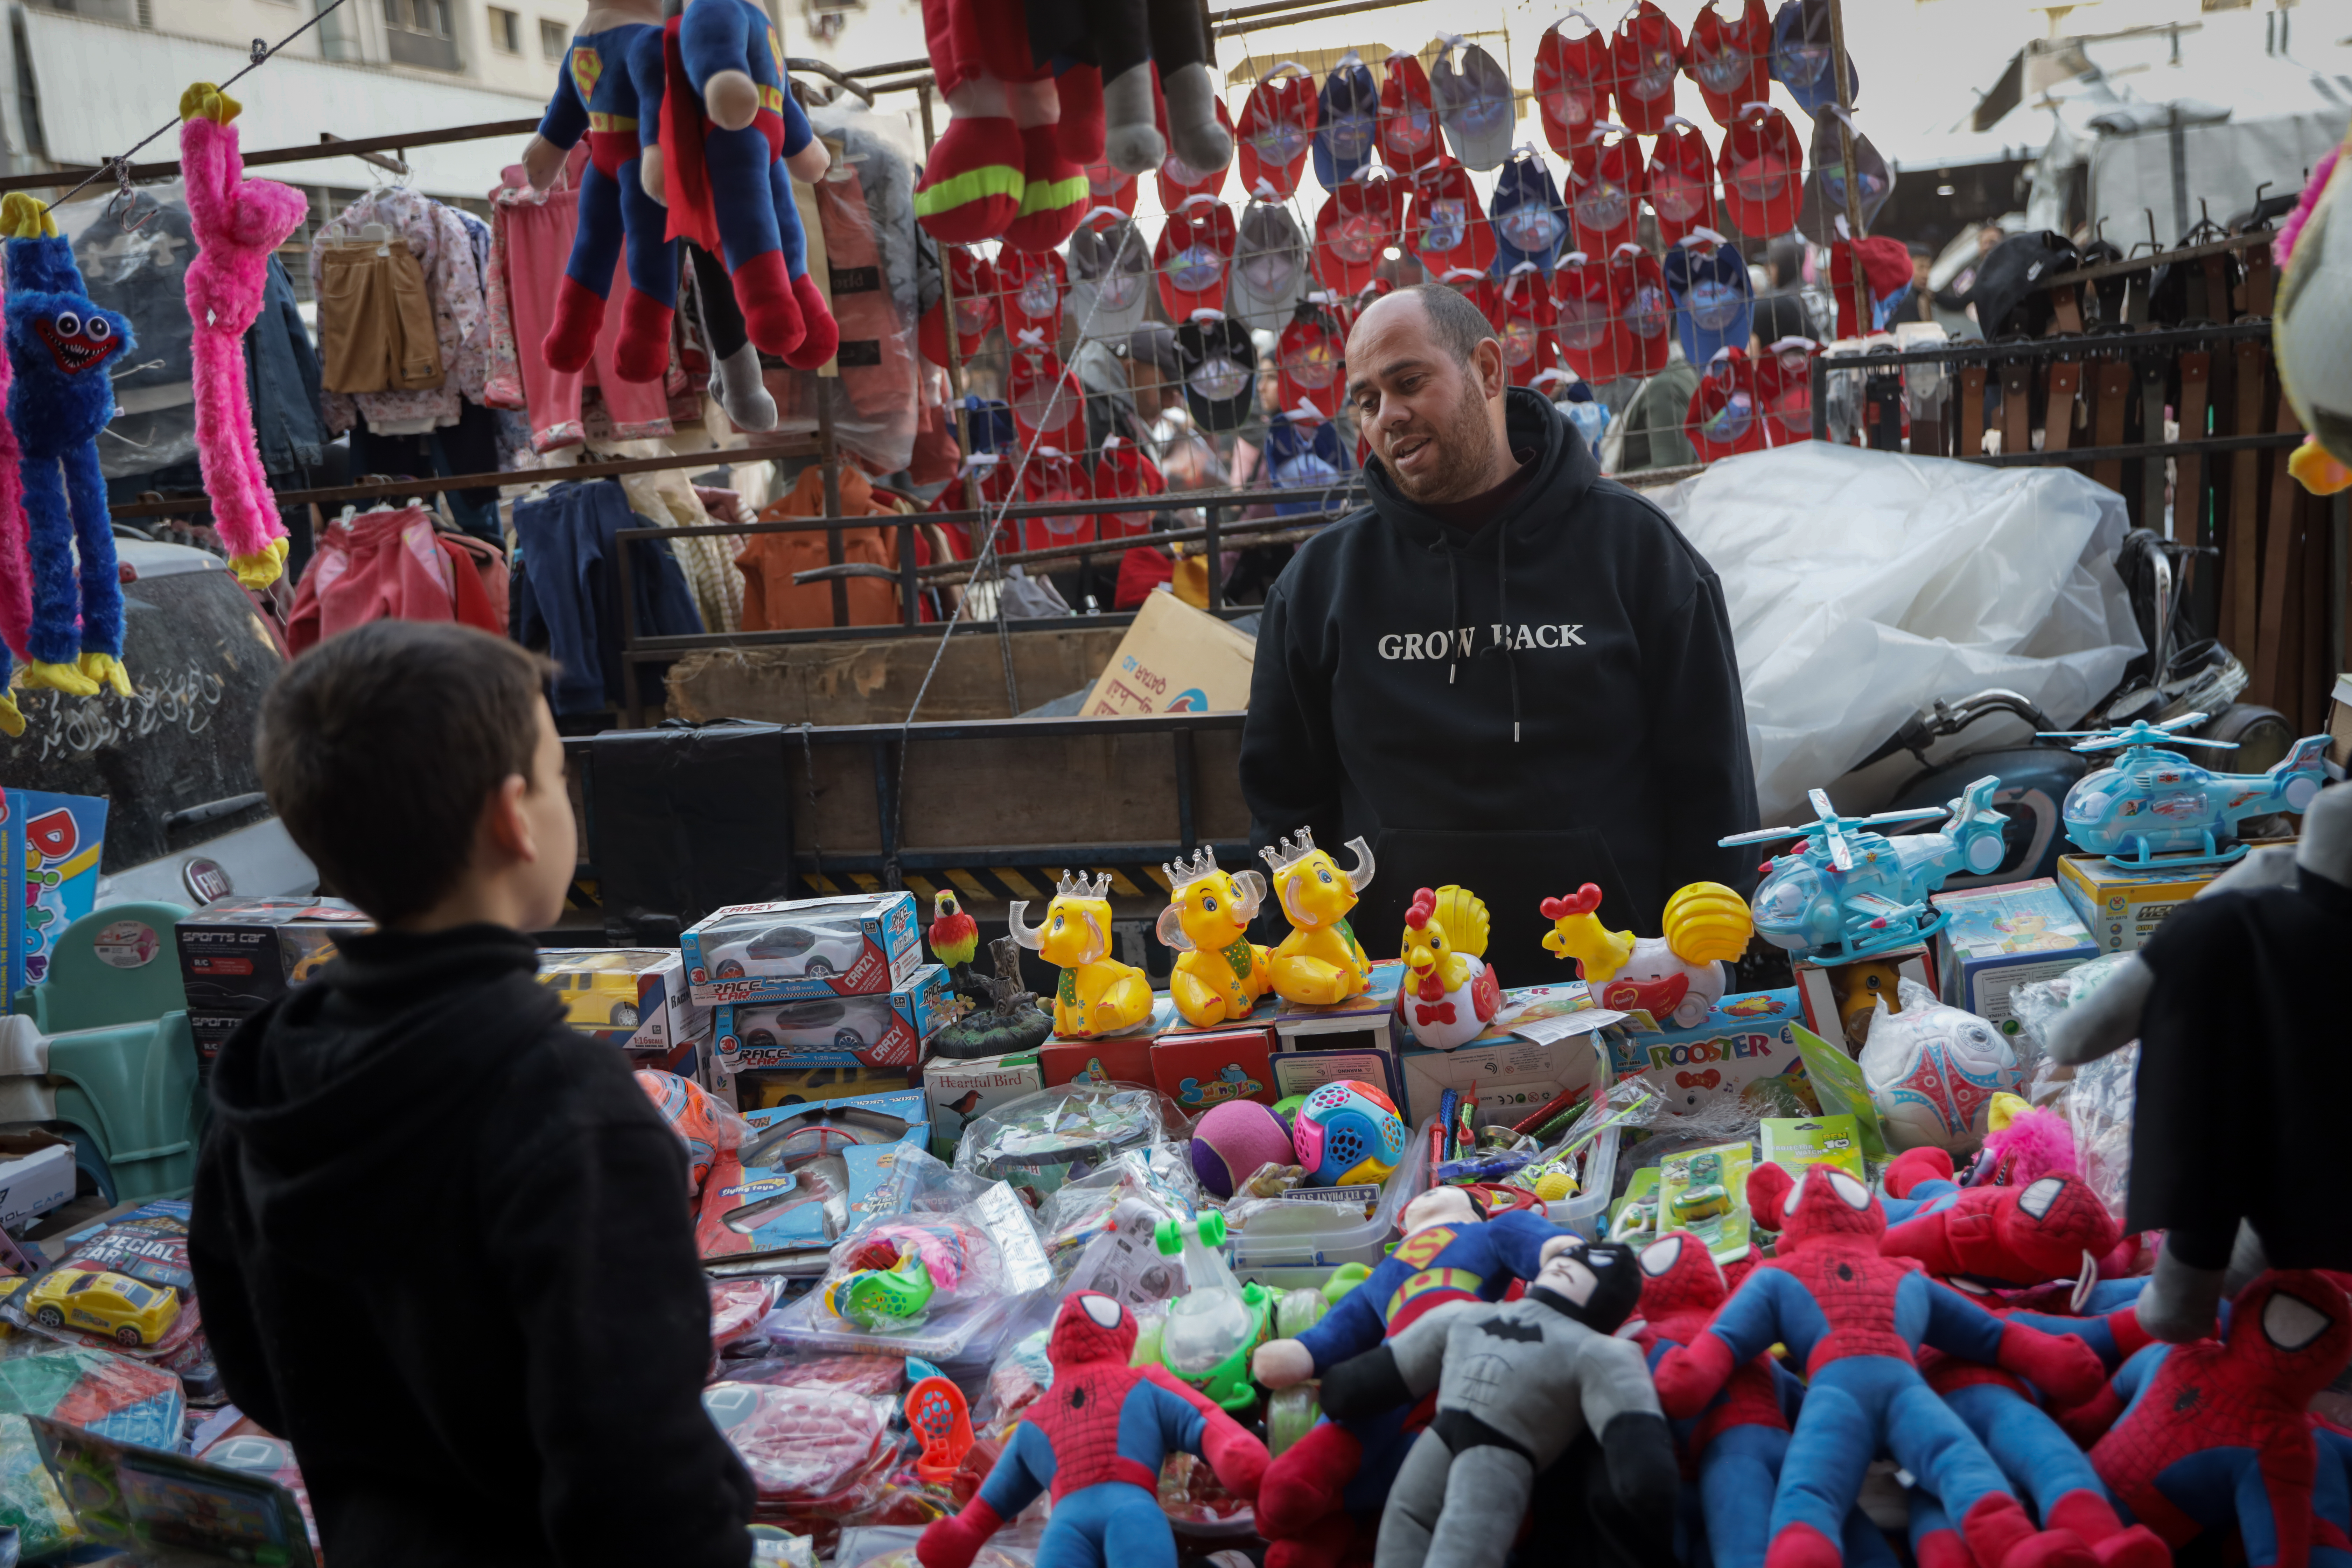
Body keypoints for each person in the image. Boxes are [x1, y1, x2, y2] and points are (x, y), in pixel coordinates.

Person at [189, 622, 754, 1568]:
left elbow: (255, 1371)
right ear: (513, 820)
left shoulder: (266, 1065)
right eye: (560, 777)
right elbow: (646, 1491)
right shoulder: (571, 1111)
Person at [1240, 284, 1758, 978]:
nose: (1388, 416)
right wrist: (1304, 974)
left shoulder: (1637, 553)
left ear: (1488, 370)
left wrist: (1703, 966)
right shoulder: (1320, 585)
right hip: (1403, 1000)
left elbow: (1713, 790)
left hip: (1617, 991)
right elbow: (1284, 808)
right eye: (1366, 401)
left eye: (1409, 382)